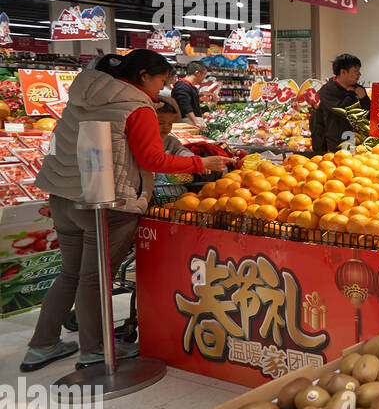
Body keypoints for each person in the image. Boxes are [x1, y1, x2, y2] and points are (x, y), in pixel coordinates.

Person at [22, 50, 232, 372]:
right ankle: (95, 351)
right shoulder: (136, 108)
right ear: (144, 75)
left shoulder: (82, 97)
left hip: (63, 197)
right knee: (95, 279)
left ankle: (41, 346)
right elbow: (153, 160)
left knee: (70, 274)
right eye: (162, 79)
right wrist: (200, 162)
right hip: (109, 203)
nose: (163, 87)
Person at [310, 53, 371, 153]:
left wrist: (364, 98)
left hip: (356, 141)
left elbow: (369, 114)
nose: (359, 74)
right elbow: (342, 111)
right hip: (332, 143)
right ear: (343, 72)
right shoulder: (327, 91)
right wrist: (351, 94)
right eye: (356, 71)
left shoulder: (358, 89)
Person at [172, 60, 208, 127]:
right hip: (186, 123)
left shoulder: (190, 86)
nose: (205, 77)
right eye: (204, 74)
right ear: (197, 73)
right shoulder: (182, 86)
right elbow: (185, 106)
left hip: (190, 122)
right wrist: (196, 122)